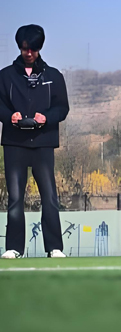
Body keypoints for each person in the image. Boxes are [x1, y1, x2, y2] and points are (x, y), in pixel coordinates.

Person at [0, 25, 68, 259]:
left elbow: (62, 108)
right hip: (14, 143)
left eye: (33, 49)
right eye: (25, 48)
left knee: (49, 196)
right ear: (20, 47)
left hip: (43, 142)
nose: (28, 53)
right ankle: (14, 247)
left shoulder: (54, 76)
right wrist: (9, 116)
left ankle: (54, 247)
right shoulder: (5, 75)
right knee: (15, 197)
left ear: (39, 48)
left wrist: (46, 118)